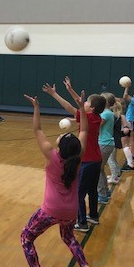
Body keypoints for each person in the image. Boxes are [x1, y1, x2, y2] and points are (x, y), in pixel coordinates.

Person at [19, 90, 98, 267]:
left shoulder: (51, 156)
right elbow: (85, 132)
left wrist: (37, 107)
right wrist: (81, 107)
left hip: (50, 210)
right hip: (71, 211)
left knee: (26, 237)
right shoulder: (78, 157)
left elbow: (37, 129)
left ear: (59, 147)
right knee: (69, 237)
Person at [43, 77, 105, 232]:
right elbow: (79, 102)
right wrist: (70, 89)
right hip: (97, 160)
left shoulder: (89, 117)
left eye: (87, 103)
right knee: (92, 190)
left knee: (79, 193)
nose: (83, 103)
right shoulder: (96, 117)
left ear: (91, 108)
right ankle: (94, 216)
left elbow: (71, 107)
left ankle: (82, 222)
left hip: (87, 161)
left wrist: (54, 94)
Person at [97, 92, 116, 205]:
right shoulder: (107, 113)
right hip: (106, 143)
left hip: (104, 143)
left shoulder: (106, 114)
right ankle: (105, 192)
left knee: (97, 169)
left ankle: (102, 195)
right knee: (100, 168)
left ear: (106, 102)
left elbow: (96, 124)